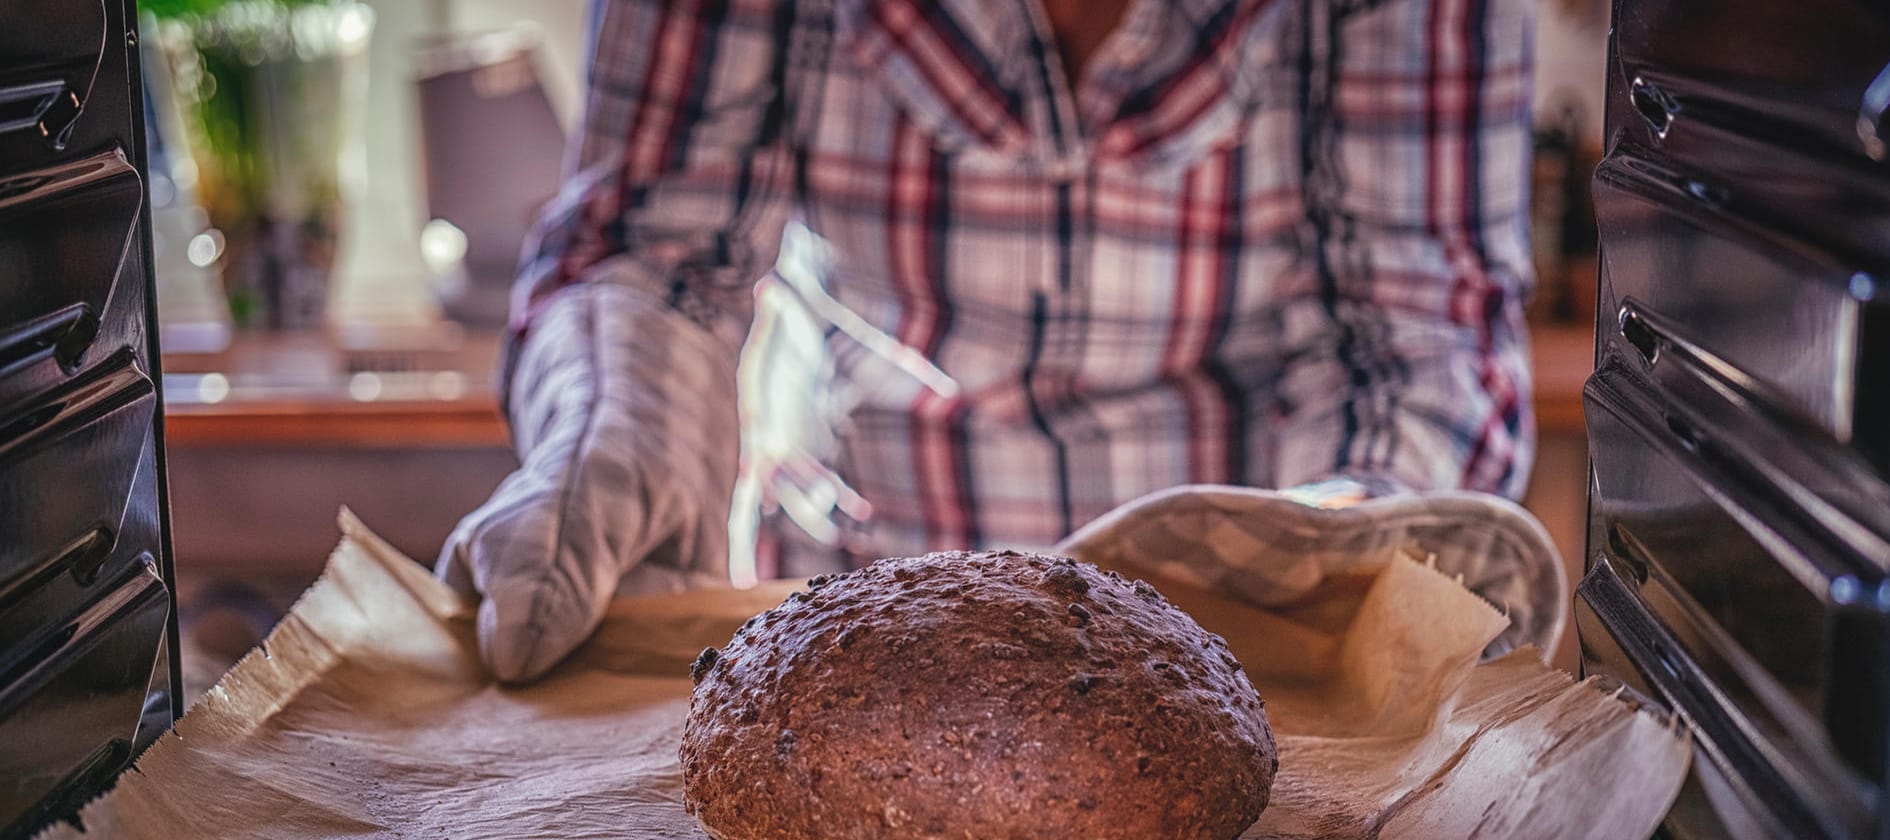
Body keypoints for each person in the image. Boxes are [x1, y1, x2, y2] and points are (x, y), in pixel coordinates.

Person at [438, 0, 1537, 682]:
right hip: (838, 618)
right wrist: (609, 437)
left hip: (1234, 642)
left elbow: (1413, 339)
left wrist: (1330, 579)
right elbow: (655, 257)